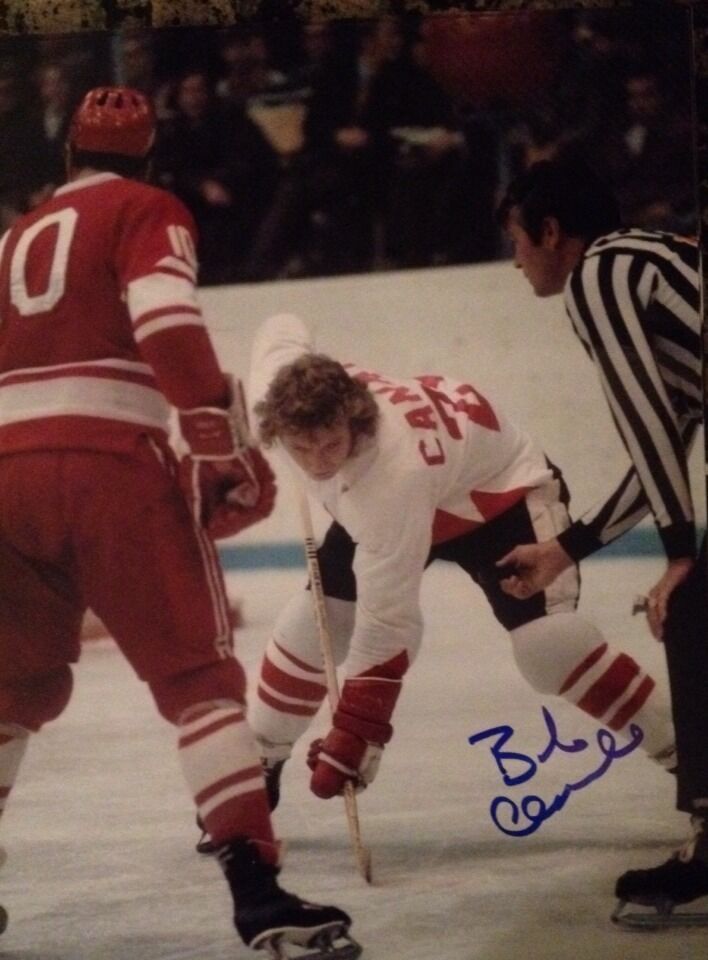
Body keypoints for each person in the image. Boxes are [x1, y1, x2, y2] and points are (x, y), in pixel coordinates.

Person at [0, 86, 357, 958]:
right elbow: (165, 321)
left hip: (2, 473)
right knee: (198, 681)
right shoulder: (147, 209)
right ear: (149, 160)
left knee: (8, 694)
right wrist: (220, 440)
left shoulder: (14, 235)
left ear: (67, 160)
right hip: (110, 467)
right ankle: (259, 897)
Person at [209, 312, 677, 830]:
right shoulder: (272, 397)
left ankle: (690, 758)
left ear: (355, 420)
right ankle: (261, 761)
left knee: (550, 647)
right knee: (316, 618)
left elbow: (390, 623)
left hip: (501, 496)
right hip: (422, 489)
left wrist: (358, 731)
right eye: (303, 449)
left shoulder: (388, 476)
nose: (318, 463)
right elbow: (281, 324)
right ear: (275, 426)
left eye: (332, 445)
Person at [495, 157, 707, 917]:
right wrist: (565, 547)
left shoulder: (601, 275)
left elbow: (647, 420)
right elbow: (676, 424)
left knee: (693, 611)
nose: (515, 261)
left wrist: (680, 555)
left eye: (518, 241)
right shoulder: (650, 260)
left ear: (552, 233)